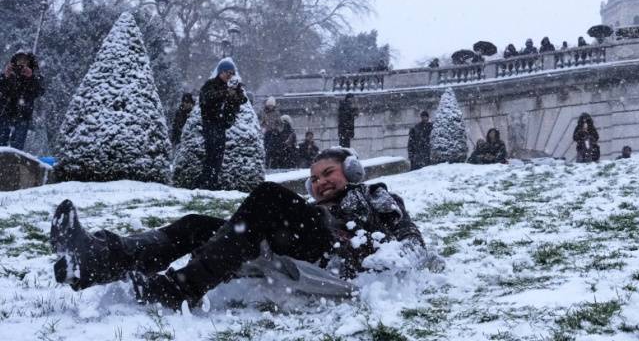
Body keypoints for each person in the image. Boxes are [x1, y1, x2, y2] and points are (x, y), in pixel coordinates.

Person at [50, 148, 426, 310]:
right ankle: (100, 260)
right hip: (294, 248)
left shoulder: (372, 195)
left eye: (329, 172)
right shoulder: (310, 209)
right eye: (314, 177)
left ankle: (181, 288)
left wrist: (388, 261)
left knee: (266, 195)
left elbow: (411, 240)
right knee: (198, 224)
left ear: (353, 171)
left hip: (333, 255)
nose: (321, 182)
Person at [197, 59, 248, 189]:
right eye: (227, 72)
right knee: (212, 153)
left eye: (232, 73)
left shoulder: (230, 86)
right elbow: (207, 98)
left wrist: (236, 92)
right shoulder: (210, 84)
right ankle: (206, 182)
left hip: (221, 124)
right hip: (210, 122)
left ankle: (213, 181)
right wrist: (226, 93)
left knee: (219, 154)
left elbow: (242, 100)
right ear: (220, 72)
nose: (229, 76)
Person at [0, 51, 44, 149]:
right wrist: (5, 77)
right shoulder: (9, 73)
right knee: (1, 143)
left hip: (23, 114)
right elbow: (2, 91)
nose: (21, 63)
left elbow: (39, 92)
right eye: (19, 60)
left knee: (17, 146)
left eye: (25, 61)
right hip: (5, 112)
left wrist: (31, 77)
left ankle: (13, 163)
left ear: (29, 62)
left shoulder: (35, 76)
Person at [260, 97, 283, 165]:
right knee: (267, 148)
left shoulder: (276, 113)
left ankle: (274, 163)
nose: (270, 107)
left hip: (275, 133)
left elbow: (280, 123)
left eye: (272, 105)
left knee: (274, 149)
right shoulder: (264, 113)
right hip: (267, 132)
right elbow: (262, 122)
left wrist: (277, 129)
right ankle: (266, 163)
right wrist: (263, 128)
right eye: (269, 105)